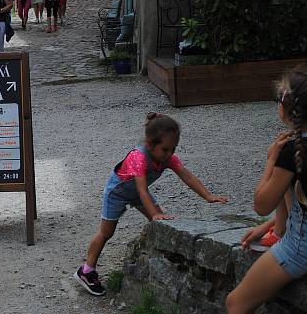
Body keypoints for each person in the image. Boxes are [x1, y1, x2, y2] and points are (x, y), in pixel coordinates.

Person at [75, 113, 227, 297]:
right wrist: (154, 213)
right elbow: (142, 189)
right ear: (149, 144)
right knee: (106, 233)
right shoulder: (138, 157)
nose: (170, 154)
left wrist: (208, 196)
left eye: (173, 149)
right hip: (118, 192)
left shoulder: (167, 157)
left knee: (161, 224)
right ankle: (86, 271)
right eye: (165, 149)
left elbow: (186, 175)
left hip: (138, 192)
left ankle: (158, 262)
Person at [226, 70, 307, 314]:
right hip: (306, 231)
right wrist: (270, 226)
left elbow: (261, 204)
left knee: (235, 304)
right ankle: (278, 230)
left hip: (304, 246)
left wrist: (271, 159)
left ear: (285, 109)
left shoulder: (292, 152)